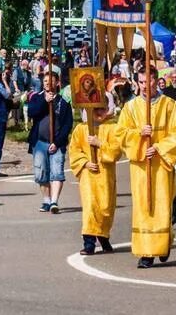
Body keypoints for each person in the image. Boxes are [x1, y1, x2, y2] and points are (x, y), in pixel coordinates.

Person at [115, 68, 176, 269]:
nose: (147, 85)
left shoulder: (169, 105)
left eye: (150, 81)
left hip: (161, 162)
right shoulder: (131, 107)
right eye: (143, 82)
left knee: (161, 204)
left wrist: (158, 147)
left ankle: (162, 244)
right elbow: (121, 133)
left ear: (157, 81)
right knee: (144, 206)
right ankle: (147, 252)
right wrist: (139, 134)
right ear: (138, 83)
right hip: (141, 165)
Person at [68, 99, 121, 255]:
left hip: (105, 175)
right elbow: (75, 151)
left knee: (105, 208)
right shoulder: (81, 129)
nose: (99, 112)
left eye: (102, 109)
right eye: (95, 109)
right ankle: (89, 242)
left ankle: (103, 236)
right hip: (88, 176)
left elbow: (116, 151)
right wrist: (84, 163)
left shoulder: (112, 128)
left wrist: (100, 144)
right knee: (90, 208)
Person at [27, 71, 73, 214]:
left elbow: (67, 125)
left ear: (57, 83)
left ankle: (54, 201)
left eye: (51, 81)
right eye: (45, 81)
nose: (48, 83)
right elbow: (31, 112)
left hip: (56, 144)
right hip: (40, 143)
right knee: (41, 174)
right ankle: (46, 200)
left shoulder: (63, 103)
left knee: (57, 173)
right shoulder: (36, 98)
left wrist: (58, 142)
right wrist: (44, 101)